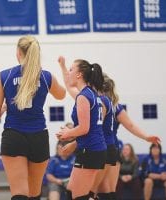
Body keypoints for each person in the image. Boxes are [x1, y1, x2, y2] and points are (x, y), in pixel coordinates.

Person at [0, 35, 66, 200]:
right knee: (34, 192)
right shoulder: (46, 76)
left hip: (13, 135)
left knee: (19, 192)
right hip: (39, 136)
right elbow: (61, 95)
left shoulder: (5, 76)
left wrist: (4, 108)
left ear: (18, 52)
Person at [56, 56, 107, 200]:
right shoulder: (90, 94)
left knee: (79, 196)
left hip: (91, 150)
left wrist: (68, 132)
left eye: (71, 70)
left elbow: (84, 128)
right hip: (93, 149)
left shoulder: (83, 97)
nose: (69, 73)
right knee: (72, 192)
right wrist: (63, 66)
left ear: (79, 74)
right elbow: (68, 84)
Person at [46, 124, 75, 200]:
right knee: (53, 187)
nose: (62, 148)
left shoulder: (74, 158)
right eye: (60, 146)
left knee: (75, 187)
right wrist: (57, 181)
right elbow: (48, 175)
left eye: (64, 146)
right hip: (56, 182)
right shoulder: (53, 160)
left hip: (70, 182)